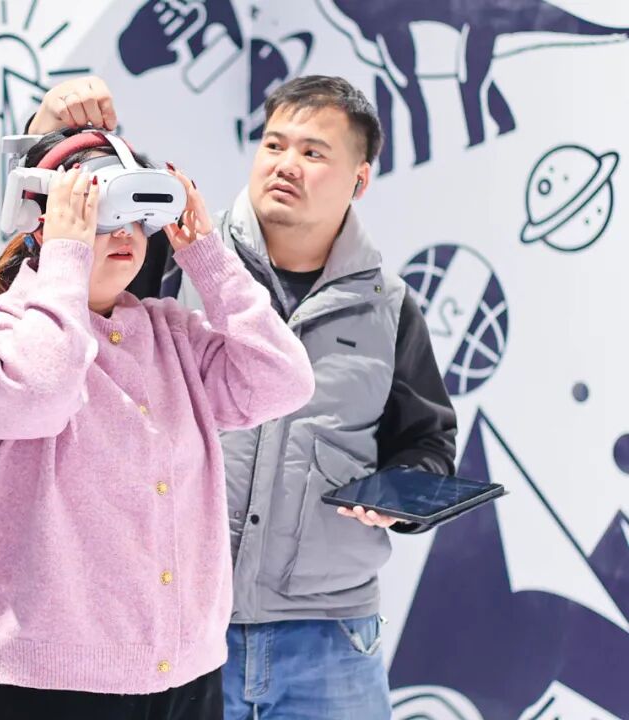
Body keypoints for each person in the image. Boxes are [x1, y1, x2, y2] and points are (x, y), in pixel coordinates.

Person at [27, 76, 457, 719]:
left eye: (313, 152)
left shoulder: (388, 307)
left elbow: (426, 441)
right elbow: (49, 274)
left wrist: (400, 496)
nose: (286, 164)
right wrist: (47, 132)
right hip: (179, 625)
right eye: (274, 144)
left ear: (360, 179)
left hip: (333, 636)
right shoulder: (169, 255)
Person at [0, 127, 315, 720]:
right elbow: (43, 392)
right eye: (98, 214)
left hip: (187, 676)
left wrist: (207, 256)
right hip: (50, 684)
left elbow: (284, 381)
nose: (124, 233)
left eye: (135, 218)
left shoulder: (171, 333)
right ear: (46, 223)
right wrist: (65, 257)